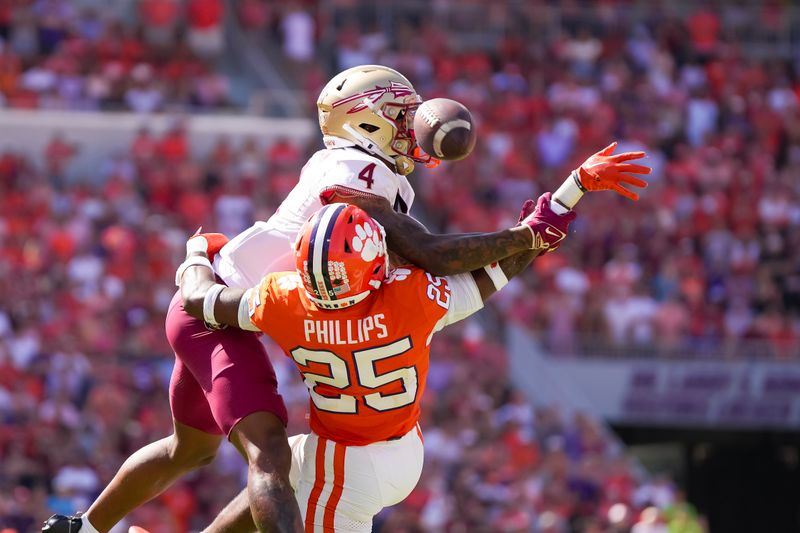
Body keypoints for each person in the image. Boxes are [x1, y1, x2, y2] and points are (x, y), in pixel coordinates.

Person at [43, 64, 648, 533]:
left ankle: (81, 527)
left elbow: (431, 255)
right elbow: (436, 259)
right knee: (271, 459)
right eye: (400, 113)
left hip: (225, 303)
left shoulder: (369, 176)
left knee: (192, 450)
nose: (414, 124)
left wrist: (197, 263)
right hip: (222, 312)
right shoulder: (359, 174)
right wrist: (535, 228)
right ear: (366, 120)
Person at [176, 197, 575, 531]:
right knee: (287, 468)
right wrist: (553, 212)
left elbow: (198, 300)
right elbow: (492, 273)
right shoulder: (412, 298)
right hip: (403, 449)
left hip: (346, 462)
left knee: (274, 472)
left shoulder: (284, 302)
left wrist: (197, 251)